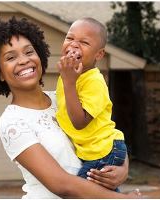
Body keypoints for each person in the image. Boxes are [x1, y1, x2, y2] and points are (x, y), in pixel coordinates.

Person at [0, 16, 140, 199]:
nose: (23, 61)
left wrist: (122, 168)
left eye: (29, 52)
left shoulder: (64, 97)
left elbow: (105, 132)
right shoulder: (12, 122)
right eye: (11, 57)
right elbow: (62, 184)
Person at [56, 17, 128, 186]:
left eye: (84, 42)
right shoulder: (69, 76)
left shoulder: (94, 81)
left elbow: (80, 122)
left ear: (99, 54)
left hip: (103, 150)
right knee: (99, 193)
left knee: (81, 191)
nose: (74, 45)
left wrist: (69, 82)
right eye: (70, 38)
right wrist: (68, 80)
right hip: (92, 151)